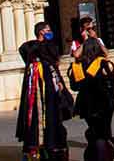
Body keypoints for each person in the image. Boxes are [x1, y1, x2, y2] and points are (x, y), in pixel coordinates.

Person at [16, 21, 74, 160]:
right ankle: (36, 148)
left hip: (49, 88)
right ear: (41, 32)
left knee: (51, 115)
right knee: (35, 115)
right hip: (35, 89)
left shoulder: (49, 49)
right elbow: (24, 50)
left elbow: (55, 62)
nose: (50, 32)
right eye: (48, 30)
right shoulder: (30, 48)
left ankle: (53, 146)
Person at [69, 30, 114, 161]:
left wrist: (84, 45)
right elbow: (113, 82)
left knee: (94, 131)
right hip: (103, 102)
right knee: (101, 134)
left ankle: (93, 155)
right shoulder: (103, 63)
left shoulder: (77, 66)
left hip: (85, 104)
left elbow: (74, 86)